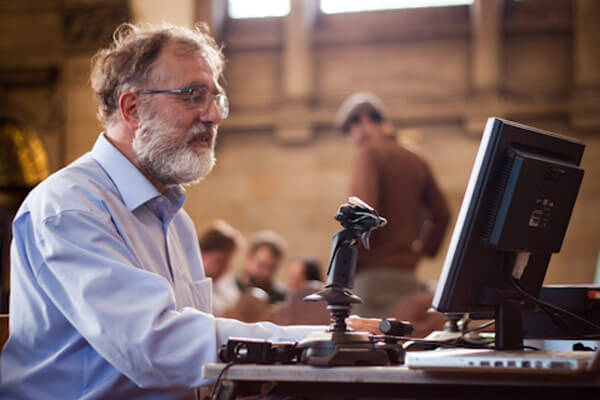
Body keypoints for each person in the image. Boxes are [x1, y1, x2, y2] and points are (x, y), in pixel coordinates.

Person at [0, 23, 378, 399]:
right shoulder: (69, 206)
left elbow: (192, 366)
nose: (214, 116)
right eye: (193, 95)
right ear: (132, 108)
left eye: (216, 99)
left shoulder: (174, 219)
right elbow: (156, 348)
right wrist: (312, 342)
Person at [336, 92, 451, 318]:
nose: (352, 138)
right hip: (407, 276)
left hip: (370, 280)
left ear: (365, 118)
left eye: (351, 130)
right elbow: (443, 214)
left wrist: (341, 267)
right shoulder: (417, 158)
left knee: (365, 351)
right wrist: (421, 251)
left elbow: (364, 213)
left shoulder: (368, 153)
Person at [216, 230, 288, 312]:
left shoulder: (282, 299)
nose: (266, 273)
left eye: (272, 268)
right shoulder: (226, 288)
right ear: (248, 257)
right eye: (262, 265)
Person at [198, 219, 243, 316]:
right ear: (202, 254)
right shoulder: (186, 284)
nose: (226, 267)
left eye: (229, 262)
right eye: (221, 261)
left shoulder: (227, 285)